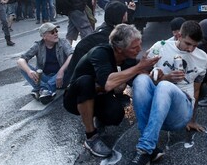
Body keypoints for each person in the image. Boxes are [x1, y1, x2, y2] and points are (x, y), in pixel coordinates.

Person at [123, 20, 207, 165]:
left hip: (181, 112)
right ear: (178, 35)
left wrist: (192, 119)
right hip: (158, 108)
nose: (191, 49)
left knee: (165, 87)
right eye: (188, 43)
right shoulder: (160, 47)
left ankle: (144, 149)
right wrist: (162, 77)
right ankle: (148, 149)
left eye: (195, 45)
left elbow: (196, 89)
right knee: (140, 81)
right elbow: (142, 72)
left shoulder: (202, 58)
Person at [63, 24, 159, 158]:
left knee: (116, 114)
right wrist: (139, 67)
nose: (139, 49)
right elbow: (109, 84)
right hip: (75, 98)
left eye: (140, 45)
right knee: (86, 81)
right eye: (134, 47)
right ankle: (91, 137)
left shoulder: (127, 58)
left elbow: (141, 75)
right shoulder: (100, 52)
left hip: (98, 95)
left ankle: (98, 118)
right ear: (119, 49)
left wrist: (160, 73)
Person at [64, 0, 135, 88]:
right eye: (126, 13)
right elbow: (128, 65)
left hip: (74, 80)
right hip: (89, 85)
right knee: (121, 85)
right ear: (122, 16)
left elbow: (122, 26)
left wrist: (130, 11)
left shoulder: (102, 30)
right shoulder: (114, 39)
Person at [17, 22, 73, 104]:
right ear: (44, 36)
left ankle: (41, 89)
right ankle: (45, 90)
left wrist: (61, 71)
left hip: (60, 78)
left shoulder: (63, 42)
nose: (56, 34)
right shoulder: (38, 45)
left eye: (56, 31)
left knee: (68, 67)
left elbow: (72, 55)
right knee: (22, 66)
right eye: (52, 32)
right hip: (45, 77)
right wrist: (29, 71)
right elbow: (20, 60)